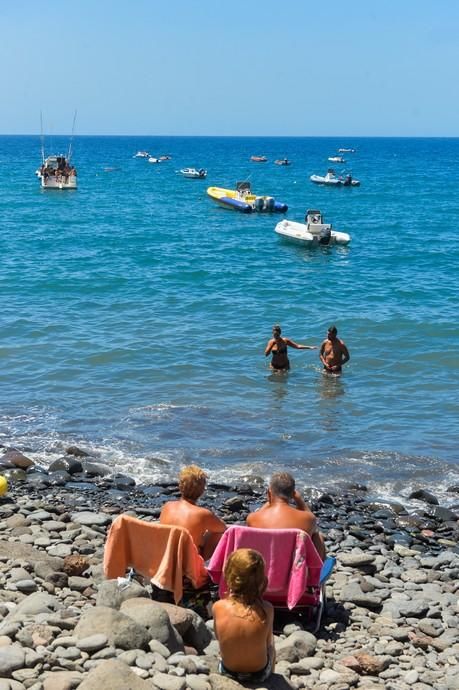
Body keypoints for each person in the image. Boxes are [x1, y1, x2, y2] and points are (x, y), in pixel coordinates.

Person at [213, 548, 275, 683]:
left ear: (230, 575)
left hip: (228, 670)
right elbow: (267, 644)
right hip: (259, 673)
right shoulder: (267, 609)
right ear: (260, 579)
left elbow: (219, 637)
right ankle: (272, 677)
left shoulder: (218, 607)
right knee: (271, 643)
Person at [246, 472, 326, 560]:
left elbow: (260, 513)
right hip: (295, 570)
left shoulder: (252, 518)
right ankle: (316, 571)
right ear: (293, 494)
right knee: (318, 536)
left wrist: (269, 499)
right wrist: (299, 500)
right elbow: (311, 516)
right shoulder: (309, 519)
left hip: (263, 568)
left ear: (269, 492)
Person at [159, 465, 226, 559]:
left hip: (166, 559)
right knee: (217, 534)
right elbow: (223, 528)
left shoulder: (167, 506)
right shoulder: (203, 514)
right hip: (189, 565)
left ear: (180, 486)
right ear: (202, 490)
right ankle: (207, 567)